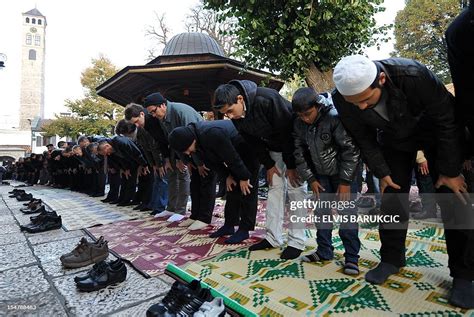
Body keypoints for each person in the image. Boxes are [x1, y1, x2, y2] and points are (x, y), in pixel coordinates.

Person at [332, 54, 473, 308]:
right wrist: (381, 171)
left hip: (436, 136)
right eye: (355, 104)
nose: (362, 108)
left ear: (382, 80)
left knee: (454, 198)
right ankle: (391, 258)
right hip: (394, 141)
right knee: (392, 197)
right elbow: (363, 137)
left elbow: (447, 120)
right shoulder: (342, 98)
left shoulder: (413, 75)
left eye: (366, 99)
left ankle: (464, 275)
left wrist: (450, 170)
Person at [213, 80, 307, 259]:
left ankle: (297, 241)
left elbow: (287, 133)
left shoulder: (267, 99)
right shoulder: (237, 117)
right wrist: (269, 165)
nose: (229, 117)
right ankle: (273, 238)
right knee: (275, 189)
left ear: (240, 99)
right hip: (274, 149)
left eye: (230, 111)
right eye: (225, 114)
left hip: (295, 147)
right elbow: (252, 141)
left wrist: (292, 165)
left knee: (296, 191)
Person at [292, 87, 361, 275]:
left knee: (347, 214)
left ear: (317, 105)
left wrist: (346, 181)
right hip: (320, 176)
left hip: (344, 176)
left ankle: (352, 258)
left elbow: (351, 151)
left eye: (308, 114)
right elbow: (299, 154)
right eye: (300, 116)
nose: (305, 119)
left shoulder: (334, 117)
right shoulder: (299, 124)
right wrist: (311, 179)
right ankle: (324, 251)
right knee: (321, 212)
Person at [168, 120, 260, 240]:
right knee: (231, 188)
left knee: (248, 189)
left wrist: (244, 177)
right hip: (233, 153)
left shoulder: (211, 134)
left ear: (191, 141)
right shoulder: (196, 141)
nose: (187, 153)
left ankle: (245, 229)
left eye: (186, 149)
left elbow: (231, 157)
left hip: (247, 147)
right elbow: (212, 162)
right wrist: (227, 176)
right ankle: (229, 225)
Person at [144, 92, 211, 224]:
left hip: (204, 151)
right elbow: (174, 142)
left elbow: (193, 139)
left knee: (206, 183)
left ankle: (204, 218)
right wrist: (186, 161)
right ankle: (195, 216)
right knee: (195, 184)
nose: (153, 115)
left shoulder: (181, 111)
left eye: (153, 111)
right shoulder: (162, 118)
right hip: (191, 154)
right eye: (150, 113)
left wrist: (199, 162)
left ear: (162, 105)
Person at [124, 104, 168, 216]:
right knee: (158, 181)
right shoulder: (141, 129)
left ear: (142, 114)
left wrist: (159, 163)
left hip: (163, 156)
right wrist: (152, 164)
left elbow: (156, 146)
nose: (137, 125)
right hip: (155, 160)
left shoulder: (152, 123)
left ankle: (161, 207)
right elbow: (146, 149)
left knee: (163, 180)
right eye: (134, 123)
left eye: (137, 121)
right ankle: (155, 206)